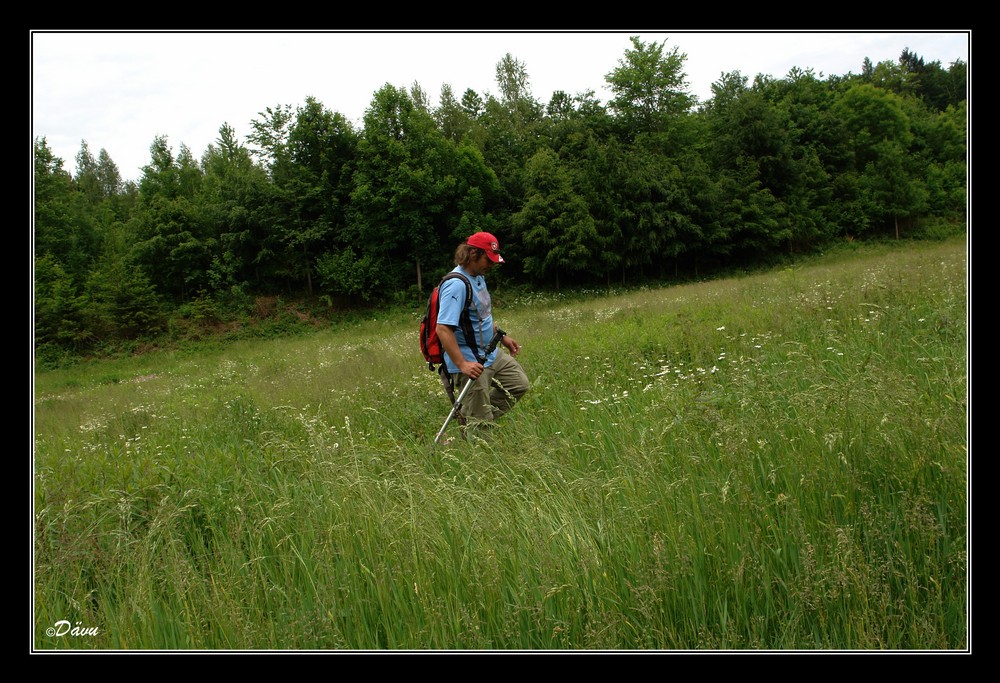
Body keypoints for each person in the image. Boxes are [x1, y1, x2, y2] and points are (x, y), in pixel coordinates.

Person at [436, 232, 529, 438]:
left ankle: (473, 419)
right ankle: (477, 429)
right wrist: (462, 364)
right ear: (472, 254)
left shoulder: (479, 277)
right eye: (488, 259)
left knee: (519, 385)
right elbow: (442, 329)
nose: (492, 265)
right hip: (470, 363)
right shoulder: (457, 285)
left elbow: (481, 316)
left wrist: (501, 335)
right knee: (482, 430)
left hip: (489, 354)